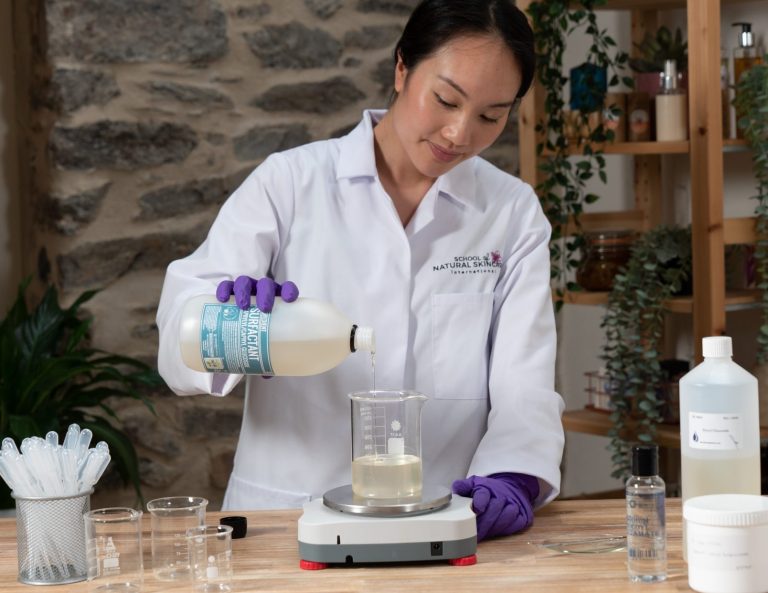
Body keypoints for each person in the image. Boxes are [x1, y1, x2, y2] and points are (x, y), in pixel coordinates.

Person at [157, 0, 564, 541]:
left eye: (491, 116)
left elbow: (524, 381)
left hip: (443, 517)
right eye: (446, 99)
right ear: (401, 69)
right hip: (287, 521)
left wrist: (512, 476)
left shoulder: (511, 214)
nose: (459, 134)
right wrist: (225, 325)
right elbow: (177, 348)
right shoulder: (290, 184)